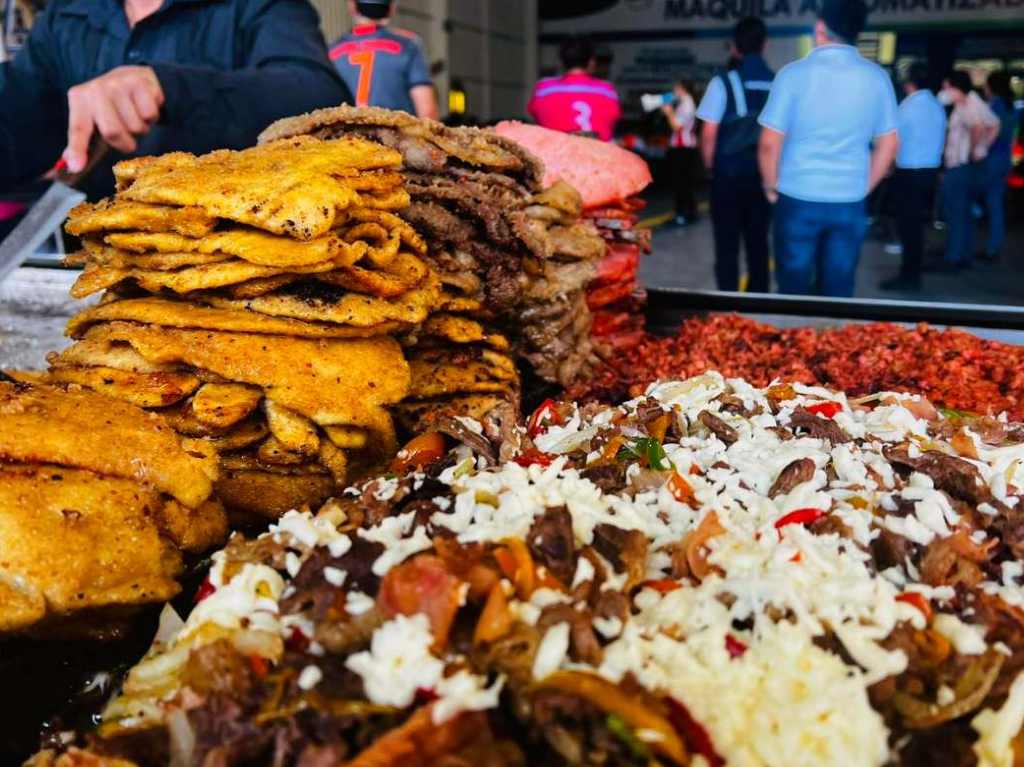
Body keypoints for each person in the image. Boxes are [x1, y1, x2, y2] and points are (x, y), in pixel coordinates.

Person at [0, 0, 350, 199]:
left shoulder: (262, 7)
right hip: (92, 265)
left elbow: (317, 95)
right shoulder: (68, 15)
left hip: (227, 266)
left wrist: (172, 87)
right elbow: (21, 125)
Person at [757, 0, 899, 297]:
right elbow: (889, 144)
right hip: (849, 200)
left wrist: (772, 187)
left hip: (796, 196)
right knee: (838, 289)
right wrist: (863, 187)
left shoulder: (792, 75)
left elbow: (769, 144)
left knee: (792, 288)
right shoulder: (877, 78)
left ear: (820, 28)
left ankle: (794, 339)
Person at [696, 16, 774, 292]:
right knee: (759, 244)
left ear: (734, 48)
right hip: (763, 178)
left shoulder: (723, 83)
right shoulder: (777, 82)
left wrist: (710, 168)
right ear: (765, 45)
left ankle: (728, 305)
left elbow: (709, 133)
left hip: (727, 177)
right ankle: (760, 301)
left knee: (727, 245)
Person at [879, 62, 946, 291]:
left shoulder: (908, 107)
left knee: (908, 228)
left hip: (910, 173)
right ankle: (912, 272)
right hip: (929, 172)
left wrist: (884, 166)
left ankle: (909, 277)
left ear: (908, 82)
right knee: (916, 226)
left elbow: (893, 140)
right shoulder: (935, 105)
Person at [934, 71, 1000, 271]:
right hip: (967, 167)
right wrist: (984, 148)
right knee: (963, 213)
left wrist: (974, 151)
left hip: (961, 167)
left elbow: (978, 127)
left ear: (956, 87)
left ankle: (954, 257)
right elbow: (995, 124)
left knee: (956, 212)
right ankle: (963, 255)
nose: (945, 92)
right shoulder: (974, 101)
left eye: (947, 87)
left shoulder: (966, 105)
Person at [329, 0, 438, 119]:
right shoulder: (407, 46)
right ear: (392, 8)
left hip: (346, 135)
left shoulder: (331, 51)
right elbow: (427, 111)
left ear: (352, 6)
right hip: (394, 135)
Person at [528, 36, 621, 142]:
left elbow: (534, 112)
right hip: (601, 155)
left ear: (561, 62)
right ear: (591, 62)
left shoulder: (543, 88)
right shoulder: (607, 90)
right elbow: (614, 118)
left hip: (553, 155)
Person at [977, 71, 1015, 262]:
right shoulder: (1011, 107)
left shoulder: (994, 106)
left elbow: (988, 132)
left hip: (991, 159)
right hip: (1004, 160)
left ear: (991, 87)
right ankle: (993, 247)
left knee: (969, 196)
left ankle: (968, 245)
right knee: (995, 203)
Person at [662, 79, 700, 227]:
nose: (674, 90)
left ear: (681, 88)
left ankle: (682, 214)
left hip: (683, 148)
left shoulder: (687, 104)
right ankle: (689, 212)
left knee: (681, 183)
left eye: (675, 87)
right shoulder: (685, 102)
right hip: (683, 147)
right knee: (685, 183)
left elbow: (676, 126)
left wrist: (669, 111)